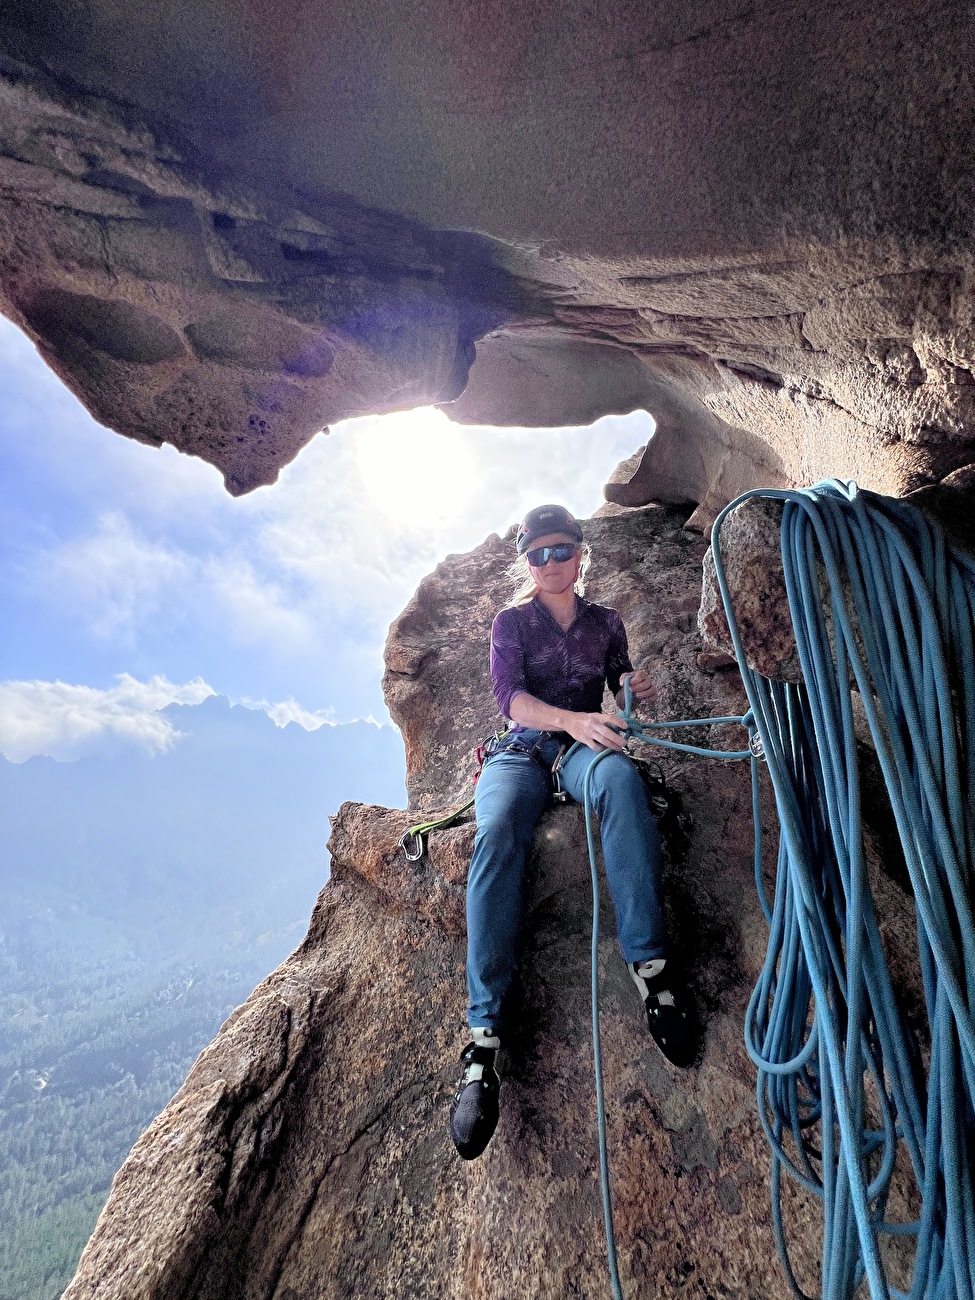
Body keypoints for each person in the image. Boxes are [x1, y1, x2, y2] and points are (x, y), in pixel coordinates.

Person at [449, 504, 696, 1161]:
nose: (551, 564)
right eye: (538, 555)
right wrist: (576, 720)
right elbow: (513, 701)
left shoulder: (604, 623)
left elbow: (614, 673)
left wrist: (627, 684)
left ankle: (652, 969)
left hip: (578, 752)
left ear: (580, 554)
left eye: (561, 551)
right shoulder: (511, 623)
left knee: (619, 781)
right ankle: (483, 1040)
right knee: (497, 828)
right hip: (523, 752)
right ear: (526, 563)